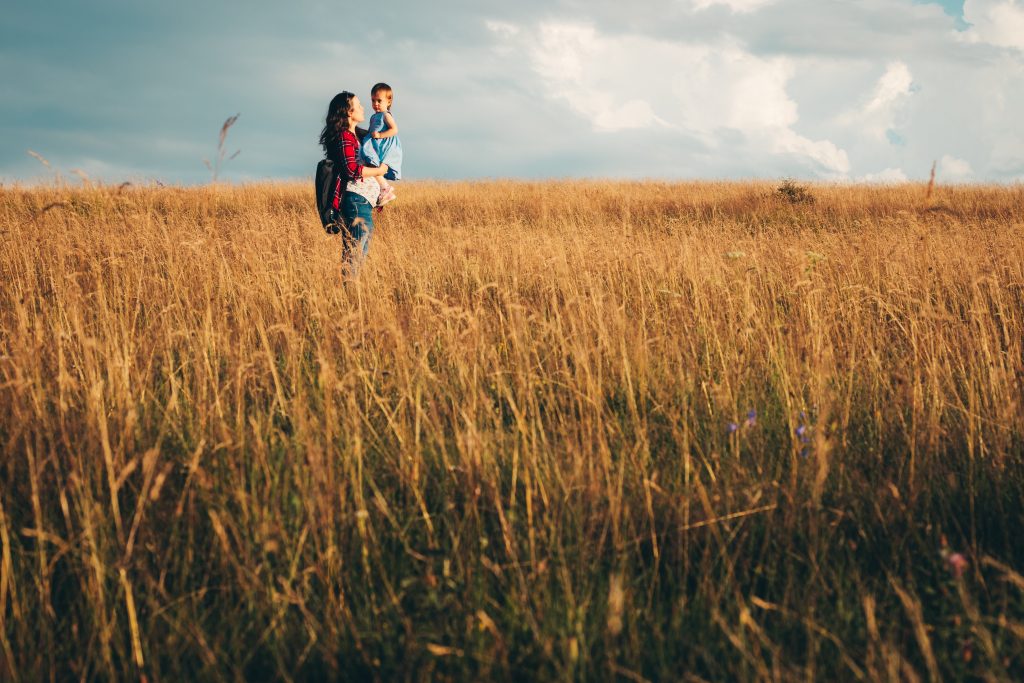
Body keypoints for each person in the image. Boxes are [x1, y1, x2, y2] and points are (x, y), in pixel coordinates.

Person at [319, 91, 391, 276]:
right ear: (349, 112)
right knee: (355, 252)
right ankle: (350, 294)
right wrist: (380, 171)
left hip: (364, 202)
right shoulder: (345, 137)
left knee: (358, 251)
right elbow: (352, 170)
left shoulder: (360, 136)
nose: (363, 108)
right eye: (358, 105)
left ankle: (350, 295)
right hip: (355, 201)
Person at [360, 82, 403, 207]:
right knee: (370, 164)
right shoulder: (374, 116)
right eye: (373, 100)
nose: (376, 104)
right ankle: (383, 187)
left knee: (372, 164)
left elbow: (394, 130)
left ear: (388, 102)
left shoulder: (386, 115)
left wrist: (379, 135)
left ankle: (385, 188)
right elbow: (370, 132)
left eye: (379, 100)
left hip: (386, 146)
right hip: (376, 144)